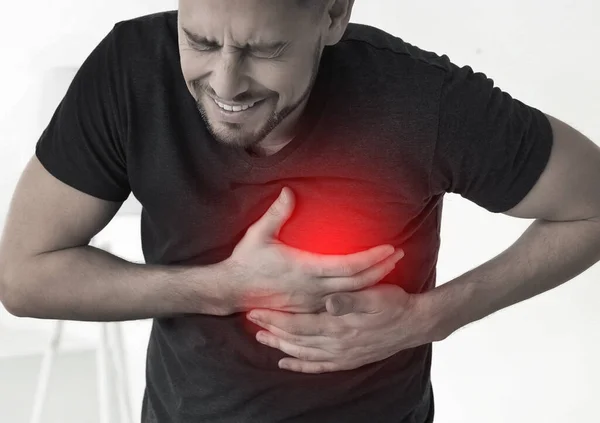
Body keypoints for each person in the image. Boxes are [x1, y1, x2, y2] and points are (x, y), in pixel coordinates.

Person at [1, 0, 599, 422]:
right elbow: (23, 277)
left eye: (264, 50)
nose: (226, 84)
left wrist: (429, 318)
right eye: (201, 42)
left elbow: (592, 207)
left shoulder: (427, 101)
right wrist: (224, 287)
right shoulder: (129, 71)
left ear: (334, 15)